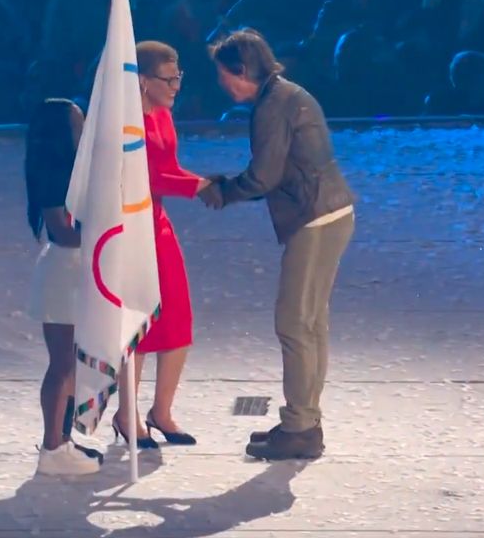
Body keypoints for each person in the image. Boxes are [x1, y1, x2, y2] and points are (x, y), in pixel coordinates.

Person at [199, 29, 356, 461]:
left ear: (243, 70)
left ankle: (301, 427)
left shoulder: (274, 104)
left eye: (223, 76)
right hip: (330, 213)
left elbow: (264, 175)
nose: (221, 85)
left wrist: (224, 191)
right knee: (310, 324)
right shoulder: (284, 95)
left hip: (316, 218)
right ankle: (304, 420)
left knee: (294, 323)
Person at [113, 41, 209, 448]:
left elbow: (169, 169)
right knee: (138, 326)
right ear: (143, 80)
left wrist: (202, 184)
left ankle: (162, 412)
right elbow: (149, 178)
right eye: (168, 79)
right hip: (131, 226)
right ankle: (127, 415)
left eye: (179, 78)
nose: (175, 86)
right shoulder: (124, 122)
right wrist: (205, 188)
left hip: (159, 225)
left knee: (177, 320)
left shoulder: (165, 116)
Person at [24, 98, 102, 476]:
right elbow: (63, 232)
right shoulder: (54, 174)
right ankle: (53, 446)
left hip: (73, 271)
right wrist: (103, 233)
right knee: (62, 364)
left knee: (70, 363)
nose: (85, 126)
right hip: (63, 273)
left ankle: (62, 440)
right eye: (79, 122)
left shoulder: (71, 171)